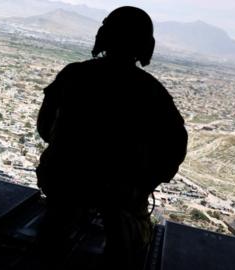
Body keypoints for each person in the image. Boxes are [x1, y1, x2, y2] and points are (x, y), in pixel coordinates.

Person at [36, 6, 188, 269]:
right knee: (129, 244)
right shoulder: (152, 92)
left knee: (52, 235)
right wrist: (142, 183)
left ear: (104, 36)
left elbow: (44, 126)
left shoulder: (73, 75)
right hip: (120, 195)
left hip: (64, 183)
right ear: (145, 46)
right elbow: (175, 150)